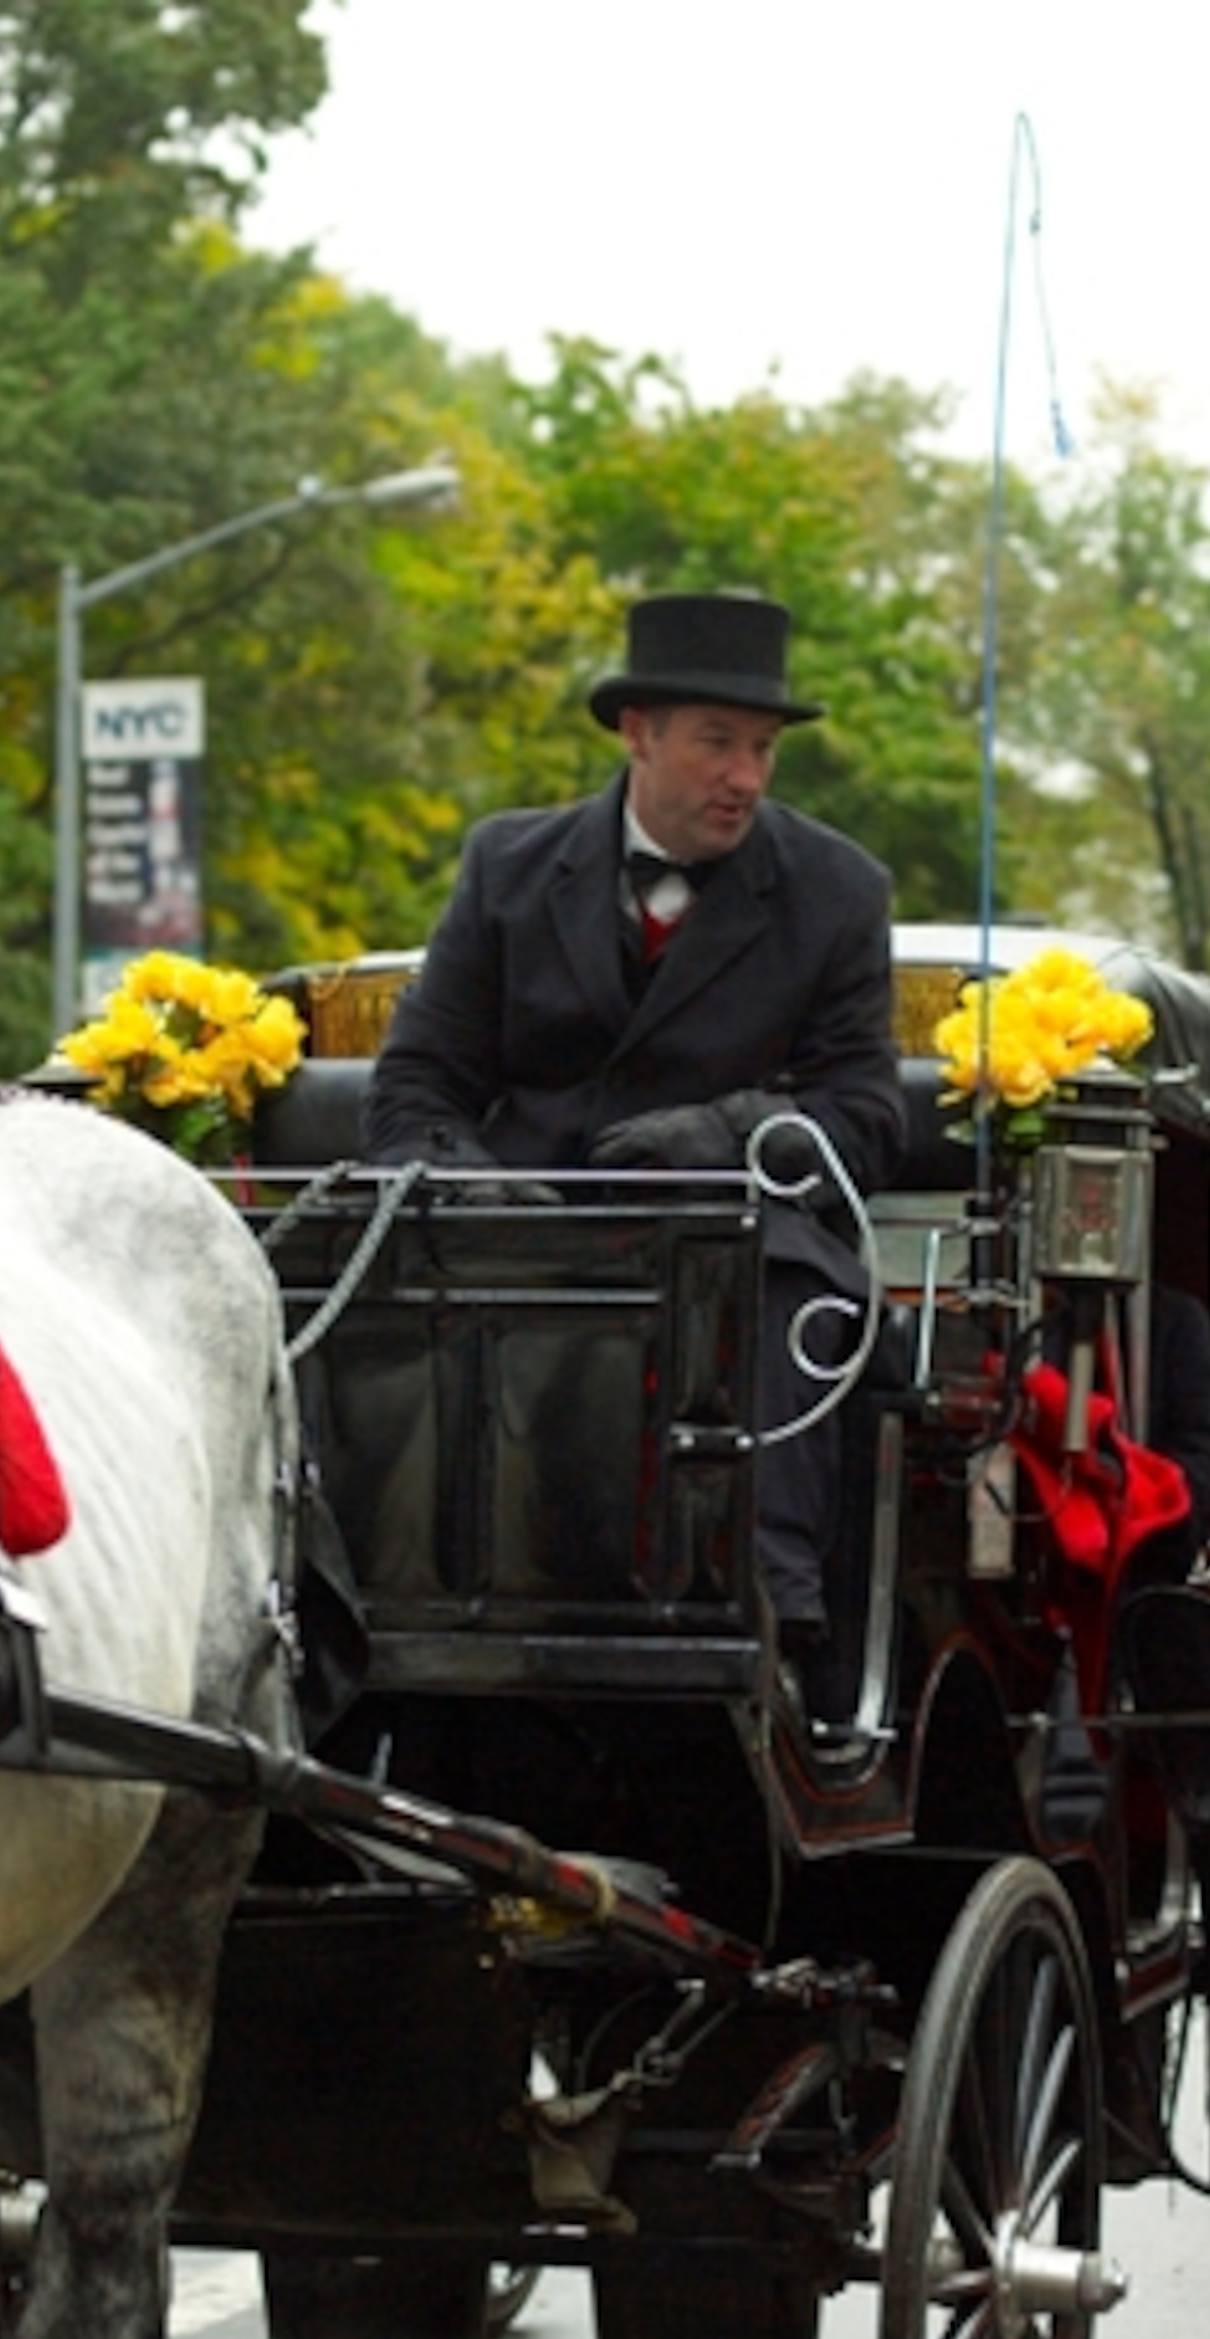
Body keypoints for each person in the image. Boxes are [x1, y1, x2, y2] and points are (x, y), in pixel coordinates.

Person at [364, 591, 905, 1698]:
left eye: (761, 749)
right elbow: (418, 1080)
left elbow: (866, 1117)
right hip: (525, 1247)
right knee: (383, 1279)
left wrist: (725, 1137)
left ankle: (777, 1615)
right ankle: (357, 1598)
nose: (747, 777)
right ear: (638, 732)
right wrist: (462, 1185)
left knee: (792, 1292)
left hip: (735, 1252)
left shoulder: (840, 891)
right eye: (718, 743)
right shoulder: (507, 868)